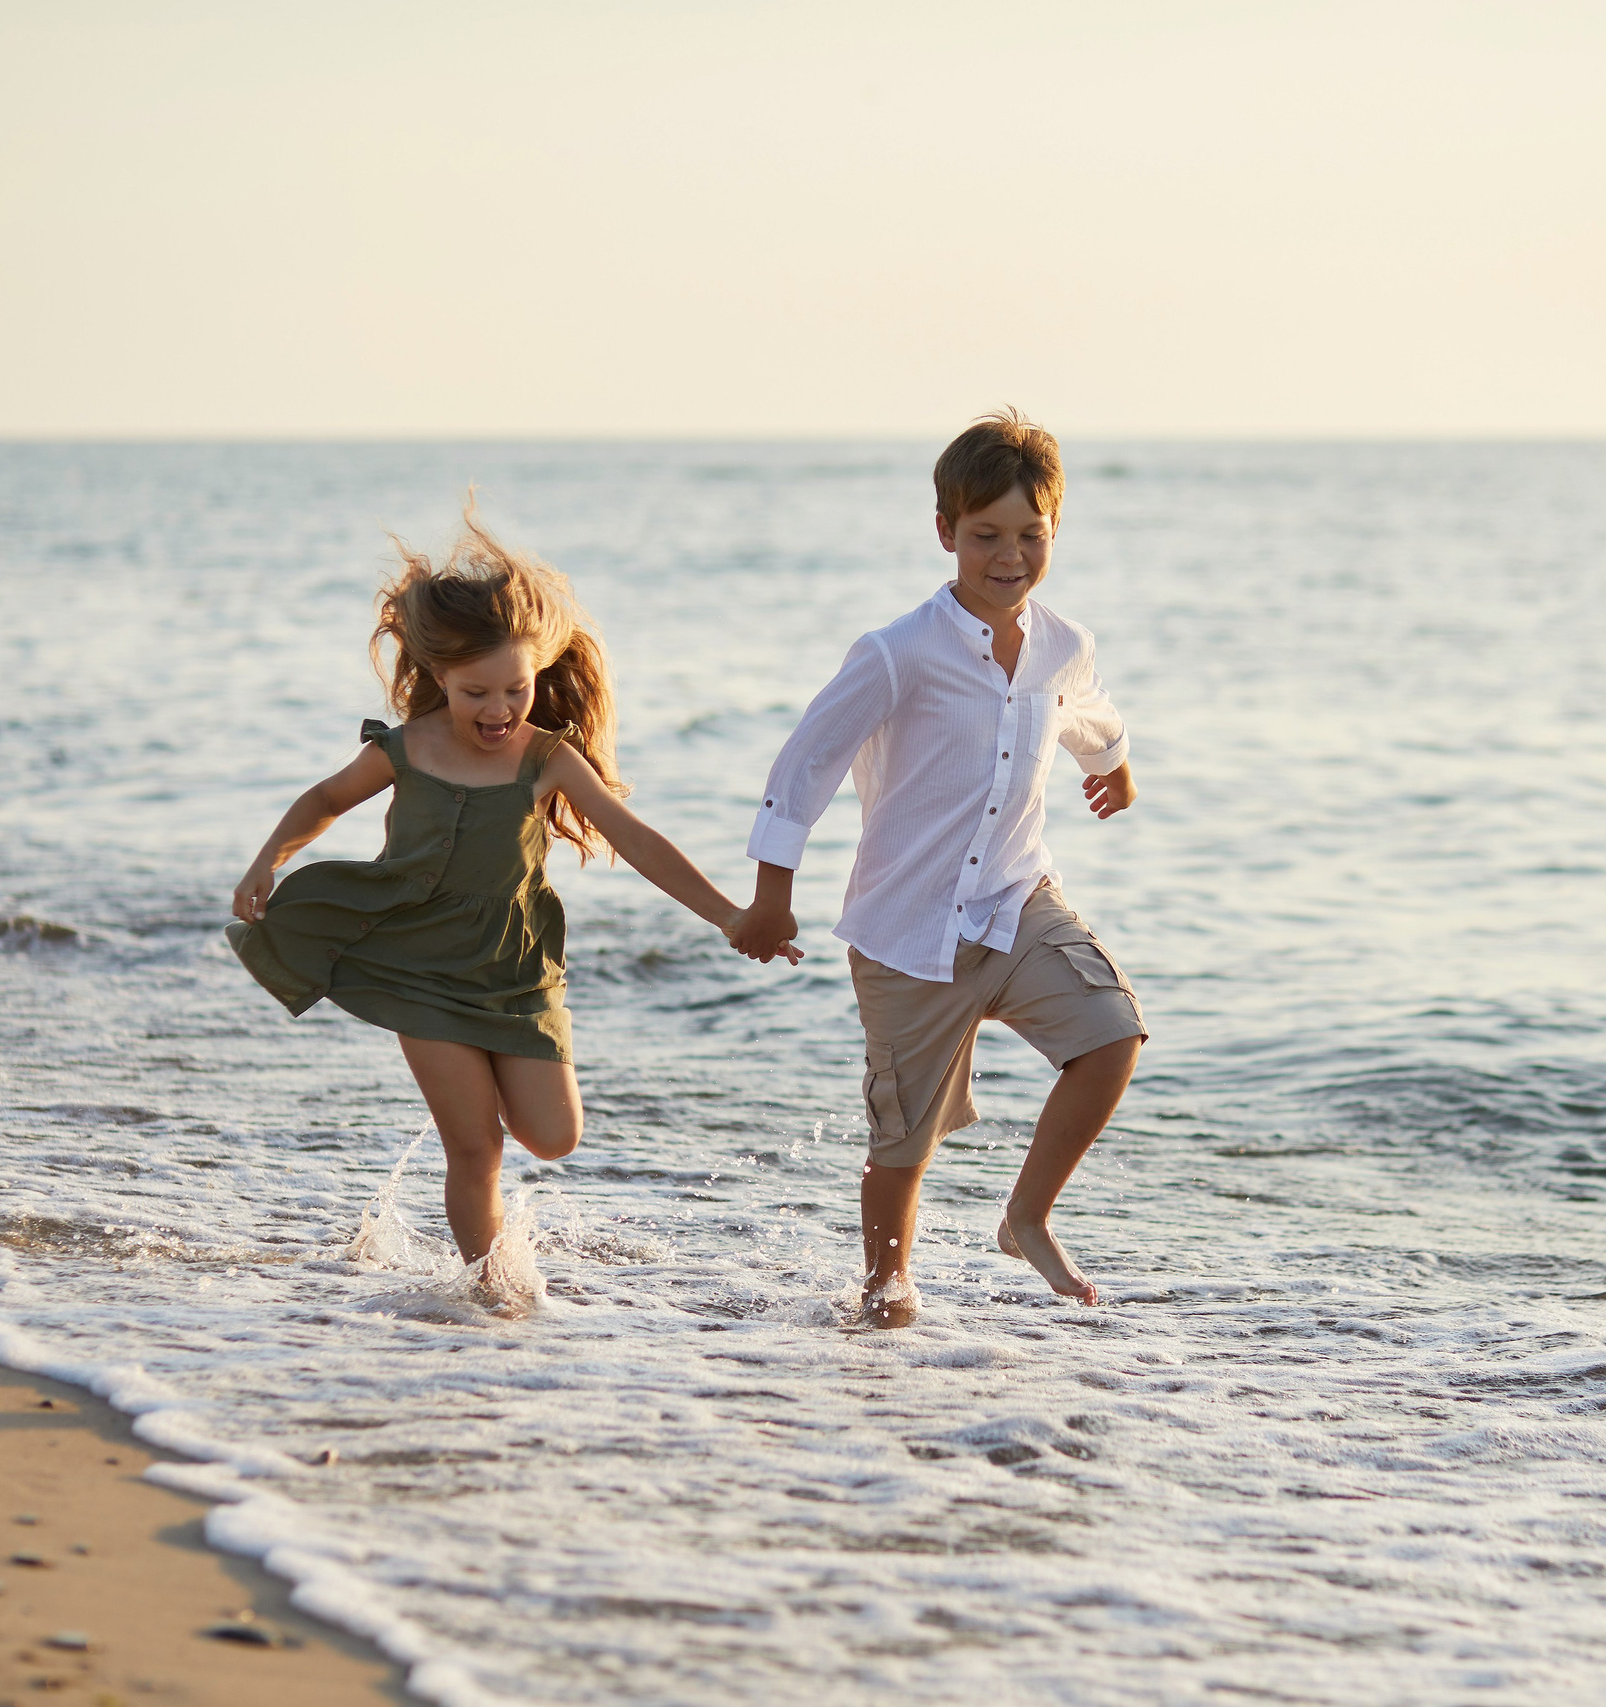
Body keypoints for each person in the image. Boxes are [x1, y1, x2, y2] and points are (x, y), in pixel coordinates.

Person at [229, 505, 792, 1275]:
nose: (497, 710)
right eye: (475, 693)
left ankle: (488, 1222)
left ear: (538, 673)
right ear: (439, 678)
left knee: (555, 1135)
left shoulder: (546, 758)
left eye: (515, 689)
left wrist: (730, 914)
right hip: (417, 963)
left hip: (514, 970)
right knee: (475, 1146)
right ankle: (489, 1288)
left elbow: (636, 839)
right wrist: (268, 860)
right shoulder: (406, 748)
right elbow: (325, 798)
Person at [730, 409, 1144, 1328]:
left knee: (1112, 1034)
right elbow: (805, 765)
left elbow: (1084, 709)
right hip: (906, 931)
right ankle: (886, 1293)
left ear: (1055, 531)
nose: (1010, 556)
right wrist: (770, 898)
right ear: (946, 532)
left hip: (1017, 901)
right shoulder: (899, 652)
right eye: (986, 534)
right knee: (903, 1144)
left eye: (1031, 534)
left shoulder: (1062, 644)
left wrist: (1113, 764)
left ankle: (1026, 1217)